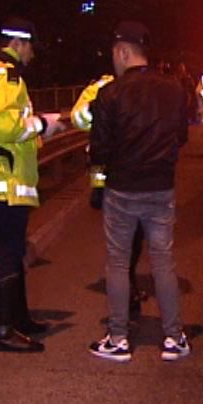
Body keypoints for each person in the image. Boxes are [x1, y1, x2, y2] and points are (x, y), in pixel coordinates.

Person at [0, 16, 67, 353]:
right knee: (7, 251)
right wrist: (42, 123)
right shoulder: (7, 77)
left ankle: (18, 319)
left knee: (13, 247)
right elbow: (8, 128)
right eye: (31, 47)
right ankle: (2, 329)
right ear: (18, 44)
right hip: (1, 173)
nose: (33, 55)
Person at [88, 20, 190, 362]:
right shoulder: (175, 89)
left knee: (117, 262)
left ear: (122, 51)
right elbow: (181, 137)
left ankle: (118, 339)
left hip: (122, 189)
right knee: (163, 260)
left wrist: (97, 186)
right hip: (161, 187)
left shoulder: (110, 94)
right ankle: (173, 338)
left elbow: (99, 150)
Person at [70, 74, 148, 319]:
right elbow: (78, 117)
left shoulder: (145, 86)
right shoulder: (100, 87)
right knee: (121, 235)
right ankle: (125, 292)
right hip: (106, 169)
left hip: (135, 168)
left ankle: (128, 284)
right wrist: (99, 110)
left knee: (136, 233)